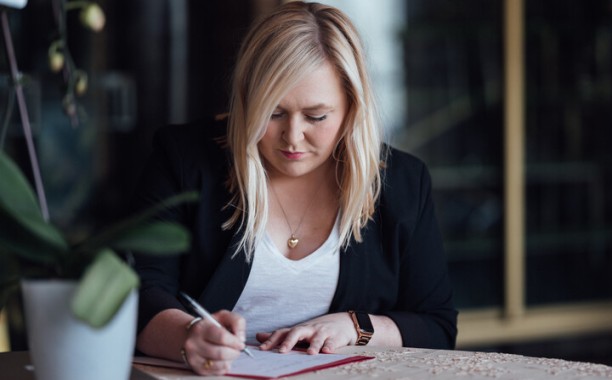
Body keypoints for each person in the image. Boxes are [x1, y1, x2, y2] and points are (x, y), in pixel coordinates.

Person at [132, 1, 457, 376]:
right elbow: (136, 293)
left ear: (352, 106)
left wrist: (355, 327)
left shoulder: (402, 183)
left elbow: (437, 326)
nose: (292, 136)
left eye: (316, 116)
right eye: (273, 112)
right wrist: (188, 336)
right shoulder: (184, 160)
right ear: (246, 100)